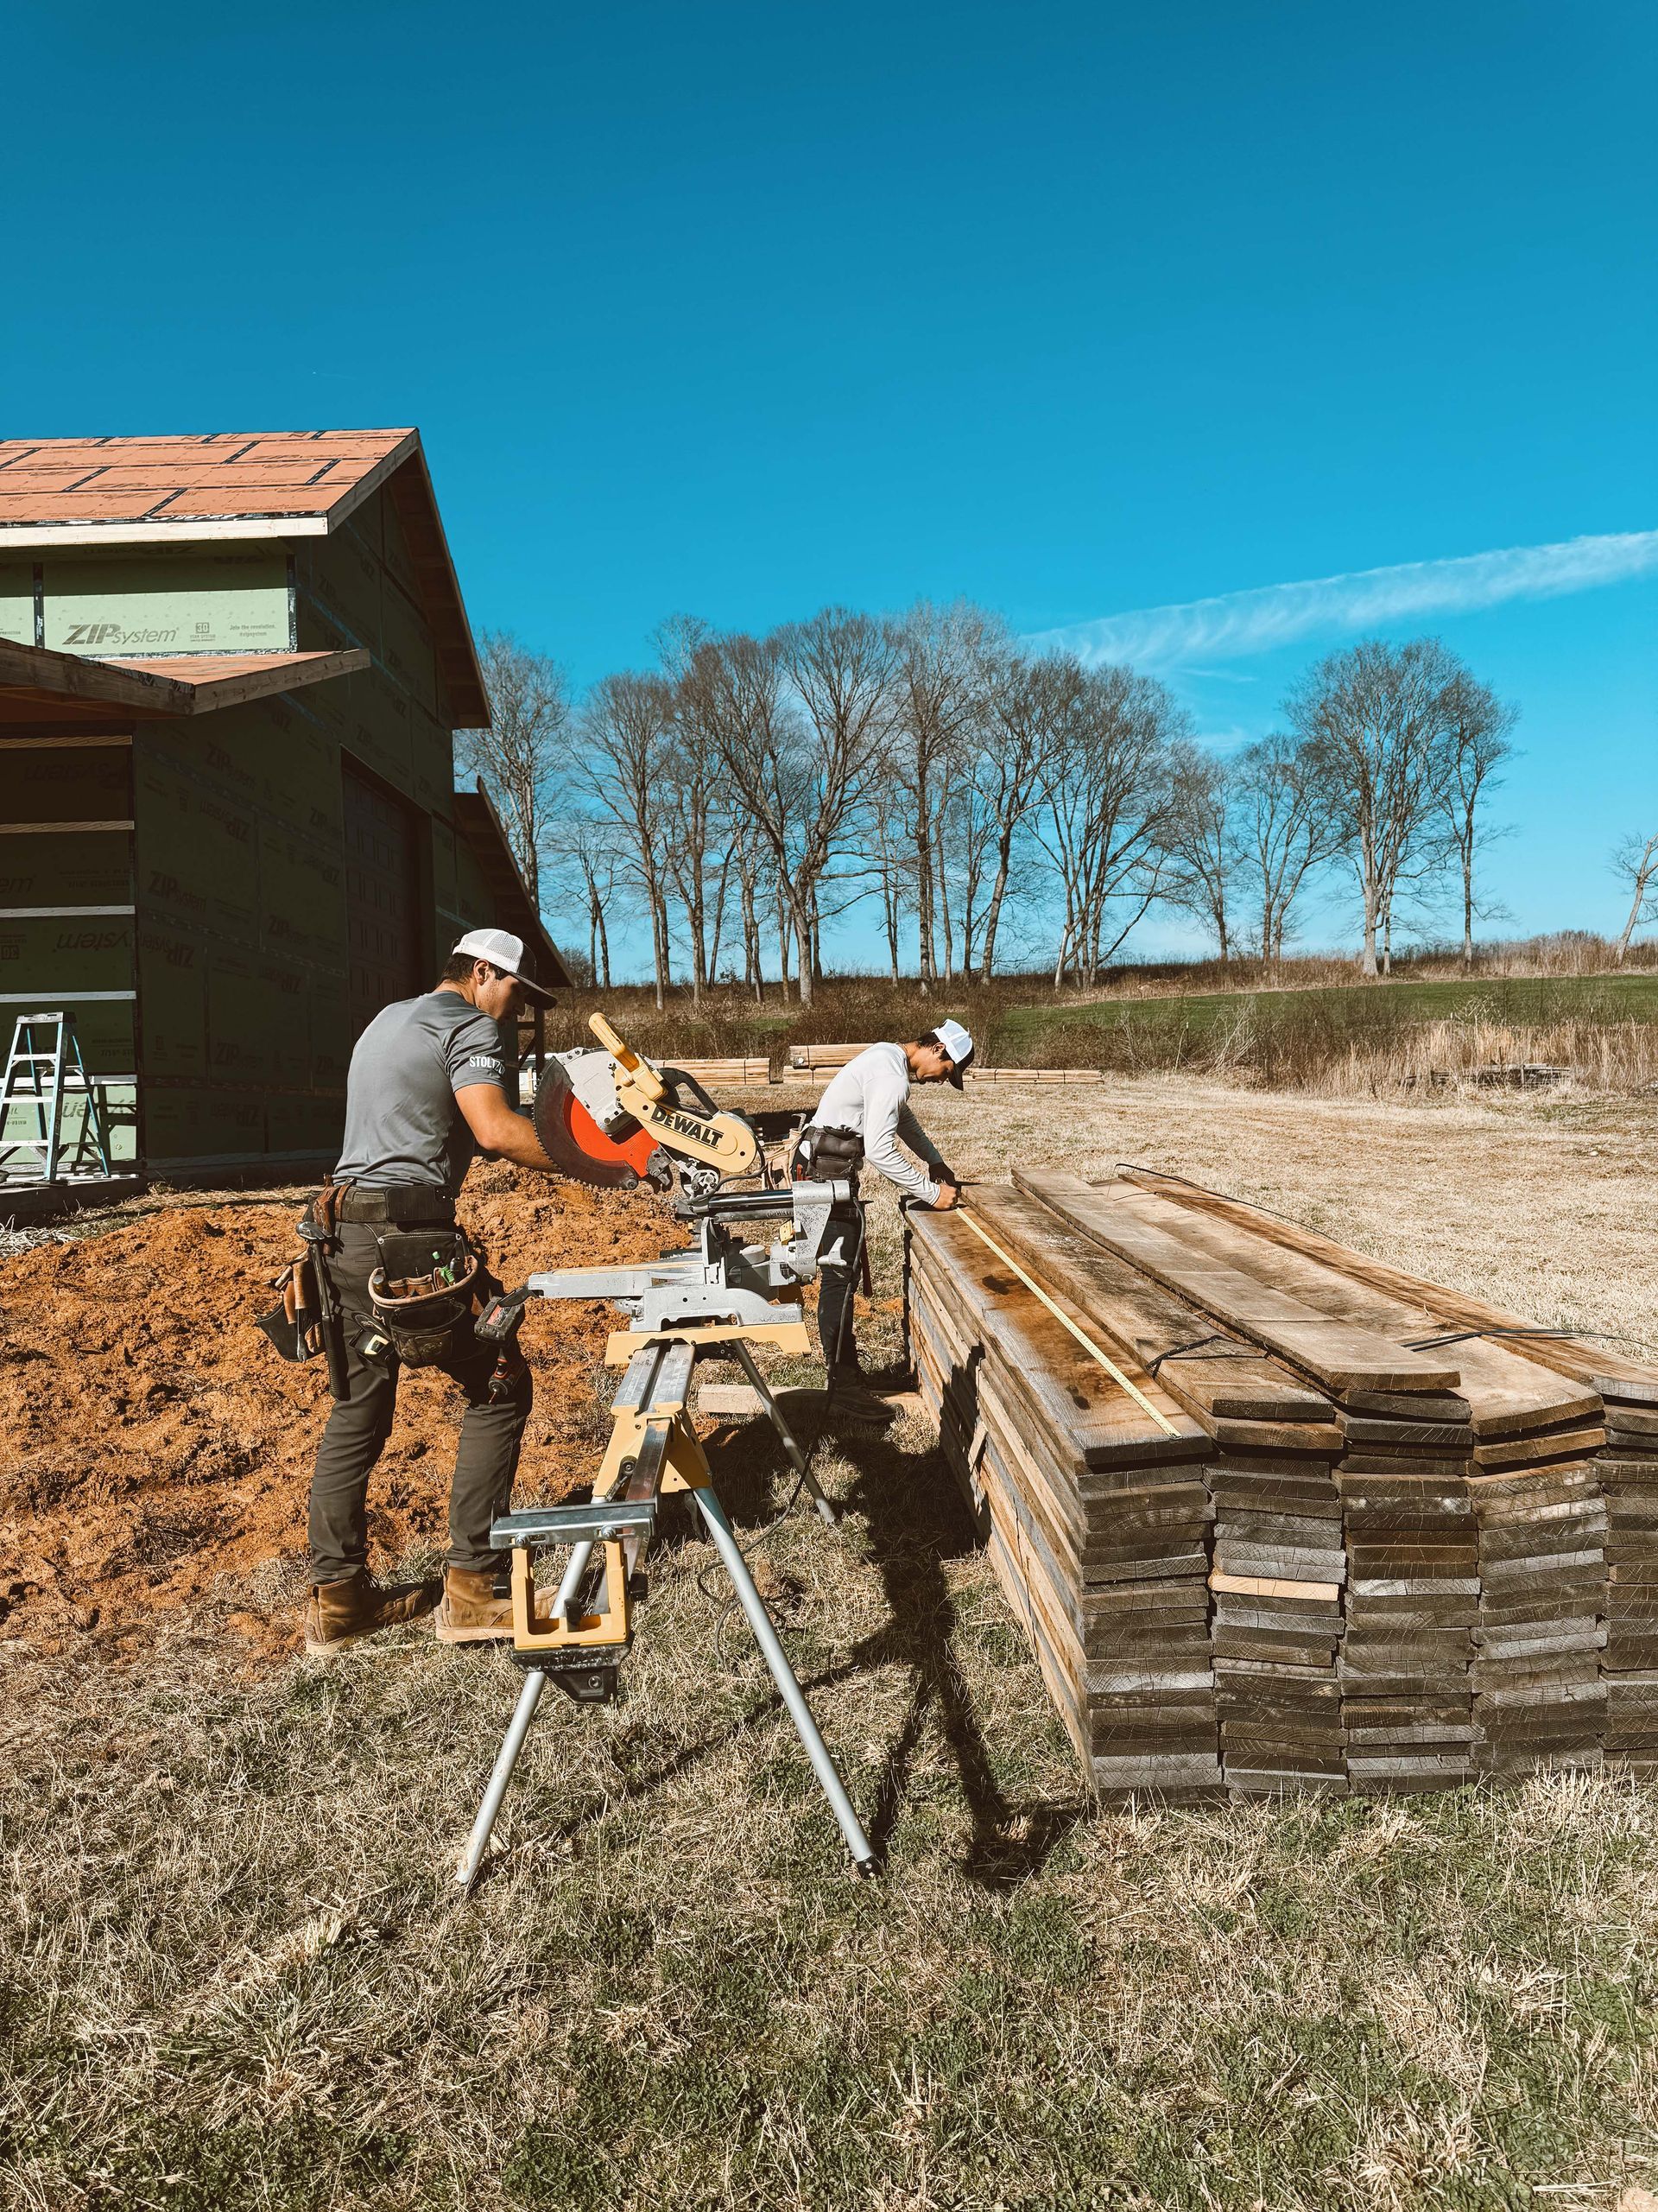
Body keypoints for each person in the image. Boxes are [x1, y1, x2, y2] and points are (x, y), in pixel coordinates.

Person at [302, 927, 560, 1653]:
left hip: (342, 1235)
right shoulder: (470, 1023)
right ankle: (474, 1588)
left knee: (357, 1410)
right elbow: (497, 1130)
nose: (514, 1009)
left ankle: (338, 1598)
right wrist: (594, 1160)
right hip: (408, 1238)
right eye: (514, 989)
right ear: (483, 972)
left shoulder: (390, 1018)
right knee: (501, 1379)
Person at [794, 1018, 973, 1426]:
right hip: (823, 1177)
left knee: (840, 1273)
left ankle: (846, 1376)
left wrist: (935, 1160)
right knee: (838, 1276)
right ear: (940, 1050)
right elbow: (878, 1149)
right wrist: (931, 1192)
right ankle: (843, 1386)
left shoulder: (887, 1057)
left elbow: (902, 1120)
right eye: (947, 1073)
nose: (941, 1081)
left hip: (822, 1168)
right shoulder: (892, 1076)